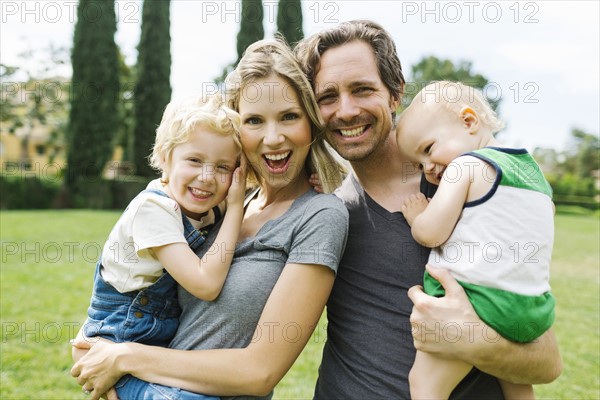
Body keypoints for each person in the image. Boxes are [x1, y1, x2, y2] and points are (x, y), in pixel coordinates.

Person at [295, 19, 562, 399]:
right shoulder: (323, 208)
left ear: (395, 93)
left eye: (362, 89)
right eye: (327, 97)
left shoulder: (467, 189)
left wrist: (470, 338)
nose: (347, 110)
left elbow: (546, 362)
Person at [71, 38, 349, 400]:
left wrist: (125, 357)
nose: (273, 137)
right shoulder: (219, 206)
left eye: (289, 116)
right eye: (253, 120)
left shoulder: (320, 215)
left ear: (310, 123)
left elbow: (258, 373)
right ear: (236, 132)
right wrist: (105, 352)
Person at [79, 94, 246, 399]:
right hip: (118, 339)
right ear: (165, 158)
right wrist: (235, 208)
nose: (207, 177)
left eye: (223, 167)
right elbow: (206, 284)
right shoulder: (153, 209)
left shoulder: (205, 210)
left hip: (155, 346)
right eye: (194, 160)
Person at [396, 81, 556, 399]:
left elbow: (431, 233)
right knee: (517, 385)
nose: (427, 167)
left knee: (424, 383)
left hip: (478, 302)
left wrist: (417, 216)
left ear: (469, 122)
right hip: (530, 309)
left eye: (428, 149)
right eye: (418, 164)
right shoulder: (535, 176)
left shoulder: (465, 166)